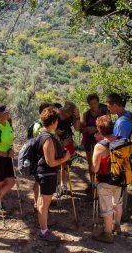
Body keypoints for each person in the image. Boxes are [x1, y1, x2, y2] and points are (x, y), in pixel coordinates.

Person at [35, 106, 71, 242]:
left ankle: (43, 227)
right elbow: (51, 162)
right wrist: (65, 159)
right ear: (54, 121)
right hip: (47, 174)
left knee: (41, 202)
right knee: (44, 204)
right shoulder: (48, 139)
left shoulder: (41, 134)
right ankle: (44, 231)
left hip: (41, 172)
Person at [91, 115, 122, 243]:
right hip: (119, 178)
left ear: (99, 129)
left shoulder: (100, 146)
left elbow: (94, 168)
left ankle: (107, 234)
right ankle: (117, 226)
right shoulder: (121, 140)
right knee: (117, 203)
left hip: (104, 181)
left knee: (107, 208)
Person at [106, 93, 132, 221]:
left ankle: (119, 216)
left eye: (109, 106)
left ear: (115, 105)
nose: (108, 109)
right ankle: (121, 213)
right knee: (122, 185)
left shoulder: (122, 122)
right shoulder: (128, 116)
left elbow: (118, 143)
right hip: (126, 157)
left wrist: (103, 138)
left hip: (121, 159)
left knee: (119, 186)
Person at [80, 93, 108, 193]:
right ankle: (92, 184)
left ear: (98, 102)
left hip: (102, 141)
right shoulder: (86, 114)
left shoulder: (104, 112)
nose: (93, 105)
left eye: (95, 103)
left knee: (102, 162)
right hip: (89, 140)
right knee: (91, 163)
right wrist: (86, 129)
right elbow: (81, 129)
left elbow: (108, 126)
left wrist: (95, 128)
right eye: (91, 103)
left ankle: (101, 183)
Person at [29, 102, 53, 210]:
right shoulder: (38, 125)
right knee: (38, 180)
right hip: (38, 157)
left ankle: (42, 202)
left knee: (40, 180)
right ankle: (37, 203)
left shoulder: (43, 124)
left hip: (42, 156)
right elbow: (39, 140)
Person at [55, 101, 80, 193]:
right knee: (56, 163)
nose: (66, 116)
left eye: (68, 115)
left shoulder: (71, 116)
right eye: (65, 114)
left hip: (67, 140)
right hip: (56, 141)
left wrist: (77, 116)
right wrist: (55, 133)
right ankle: (57, 185)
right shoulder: (56, 112)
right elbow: (48, 126)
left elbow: (77, 128)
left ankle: (63, 185)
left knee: (65, 163)